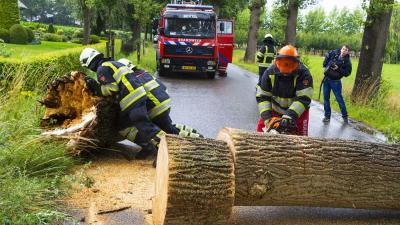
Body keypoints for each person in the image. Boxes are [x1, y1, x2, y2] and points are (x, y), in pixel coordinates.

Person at [79, 49, 200, 164]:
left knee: (146, 126)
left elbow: (112, 88)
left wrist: (96, 88)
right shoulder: (113, 63)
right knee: (154, 127)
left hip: (131, 100)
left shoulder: (102, 68)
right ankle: (197, 142)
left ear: (89, 62)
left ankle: (165, 150)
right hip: (139, 97)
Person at [117, 58, 202, 138]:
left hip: (157, 107)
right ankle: (194, 132)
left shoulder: (131, 79)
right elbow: (163, 86)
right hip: (165, 101)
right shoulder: (144, 72)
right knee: (168, 125)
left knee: (169, 131)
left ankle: (197, 139)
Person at [256, 45, 313, 136]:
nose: (286, 72)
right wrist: (267, 118)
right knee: (260, 132)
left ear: (297, 63)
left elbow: (303, 98)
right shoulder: (269, 73)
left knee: (301, 137)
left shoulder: (304, 74)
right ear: (277, 61)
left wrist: (290, 115)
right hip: (276, 109)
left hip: (299, 112)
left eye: (289, 65)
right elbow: (263, 97)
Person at [322, 45, 352, 123]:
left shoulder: (347, 61)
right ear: (341, 49)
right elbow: (327, 56)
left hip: (336, 82)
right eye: (343, 49)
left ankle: (345, 117)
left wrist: (338, 68)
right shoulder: (334, 53)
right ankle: (327, 116)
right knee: (326, 98)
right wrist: (325, 65)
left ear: (348, 52)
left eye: (345, 50)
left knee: (339, 99)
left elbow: (347, 73)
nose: (343, 51)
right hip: (326, 79)